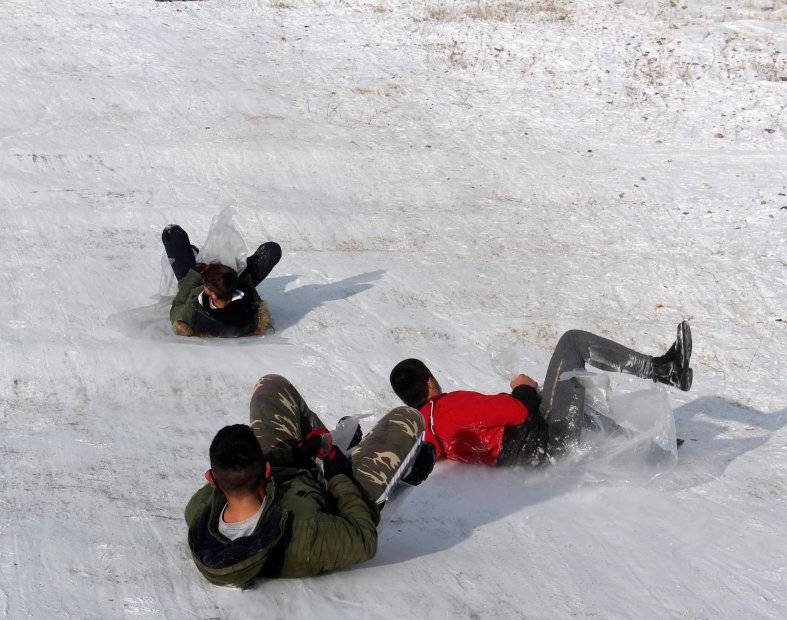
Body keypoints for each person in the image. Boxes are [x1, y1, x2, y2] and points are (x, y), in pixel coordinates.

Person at [185, 375, 435, 588]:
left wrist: (295, 453)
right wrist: (338, 475)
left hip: (293, 476)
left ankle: (332, 443)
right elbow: (363, 539)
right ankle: (396, 466)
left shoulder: (200, 509)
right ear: (266, 470)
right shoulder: (306, 538)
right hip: (333, 494)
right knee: (407, 418)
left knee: (272, 384)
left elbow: (243, 474)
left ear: (212, 479)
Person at [389, 322, 693, 468]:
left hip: (535, 454)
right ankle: (663, 370)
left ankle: (649, 453)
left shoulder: (428, 431)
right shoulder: (448, 408)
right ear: (430, 383)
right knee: (572, 342)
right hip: (548, 441)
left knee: (570, 399)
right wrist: (523, 387)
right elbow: (517, 411)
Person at [162, 223, 281, 337]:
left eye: (205, 282)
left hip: (194, 281)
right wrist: (233, 270)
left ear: (212, 294)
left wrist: (196, 273)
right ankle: (201, 260)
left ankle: (195, 257)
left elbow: (175, 312)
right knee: (272, 250)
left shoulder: (193, 314)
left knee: (172, 233)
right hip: (231, 282)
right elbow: (252, 296)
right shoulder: (249, 314)